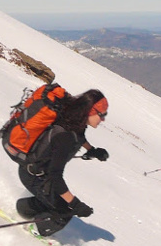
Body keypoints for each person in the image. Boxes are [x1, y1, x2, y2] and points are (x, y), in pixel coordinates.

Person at [15, 89, 109, 237]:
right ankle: (36, 231)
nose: (103, 119)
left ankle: (24, 208)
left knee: (58, 202)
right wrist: (75, 204)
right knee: (65, 210)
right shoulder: (66, 137)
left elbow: (79, 136)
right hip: (35, 176)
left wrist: (92, 150)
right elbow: (55, 176)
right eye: (102, 114)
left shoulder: (73, 121)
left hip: (34, 170)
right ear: (90, 111)